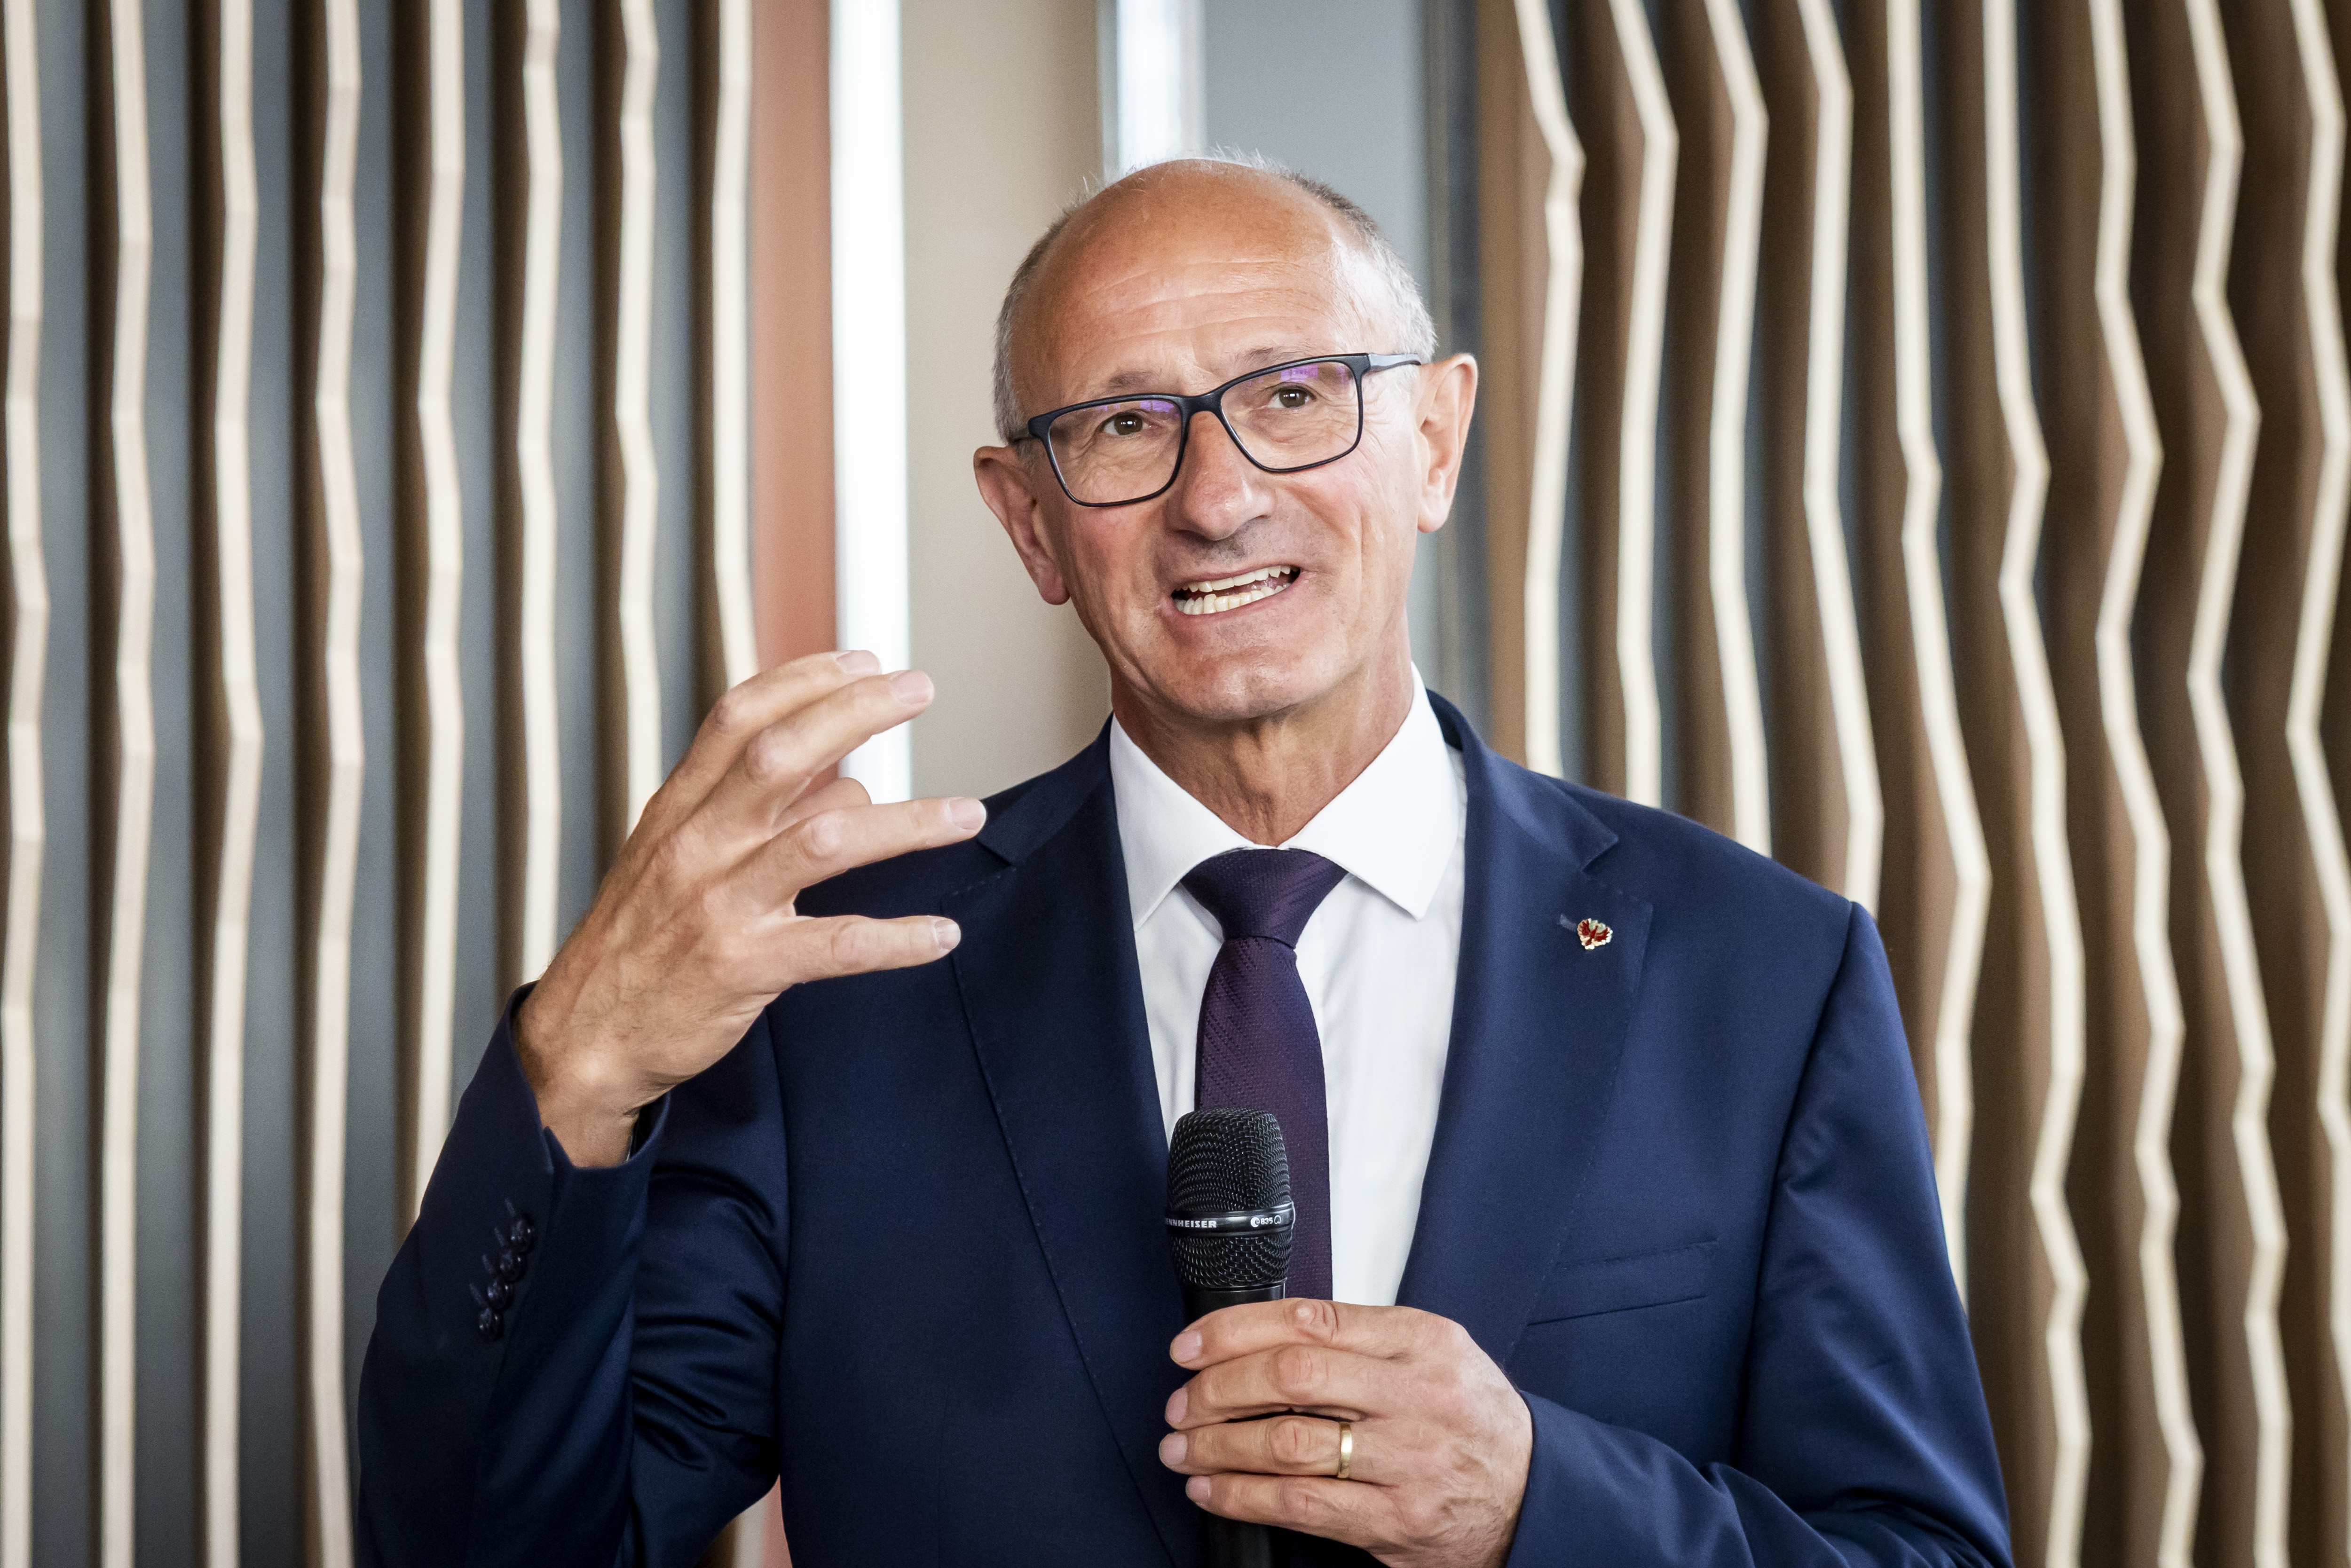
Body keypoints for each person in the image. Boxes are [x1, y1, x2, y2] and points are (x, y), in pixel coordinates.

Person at [356, 158, 2011, 1568]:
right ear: (1030, 522)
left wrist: (1541, 1504)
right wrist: (578, 1068)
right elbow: (494, 1546)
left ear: (1434, 440)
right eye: (1124, 425)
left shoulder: (1761, 972)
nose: (1218, 499)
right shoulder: (836, 988)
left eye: (1294, 395)